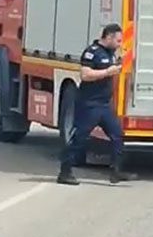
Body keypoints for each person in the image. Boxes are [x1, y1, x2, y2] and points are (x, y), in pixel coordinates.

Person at [57, 24, 137, 185]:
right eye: (118, 40)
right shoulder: (92, 52)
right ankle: (65, 172)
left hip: (104, 105)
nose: (120, 44)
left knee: (117, 134)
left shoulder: (111, 53)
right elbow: (85, 75)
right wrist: (107, 72)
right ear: (108, 37)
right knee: (79, 138)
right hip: (89, 104)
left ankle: (116, 171)